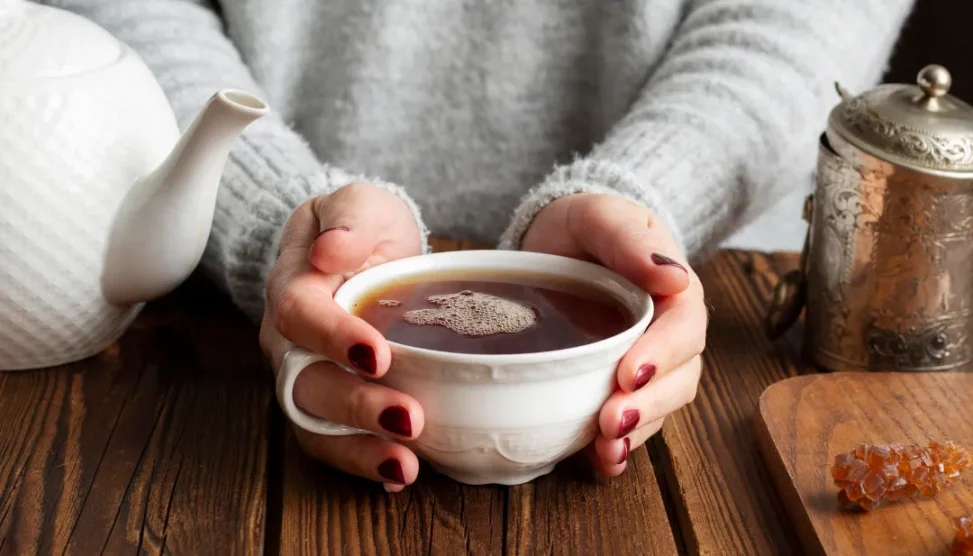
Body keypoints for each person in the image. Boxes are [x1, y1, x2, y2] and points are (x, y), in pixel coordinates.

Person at [44, 0, 915, 491]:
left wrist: (647, 200)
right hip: (208, 338)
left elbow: (803, 22)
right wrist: (277, 216)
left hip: (725, 316)